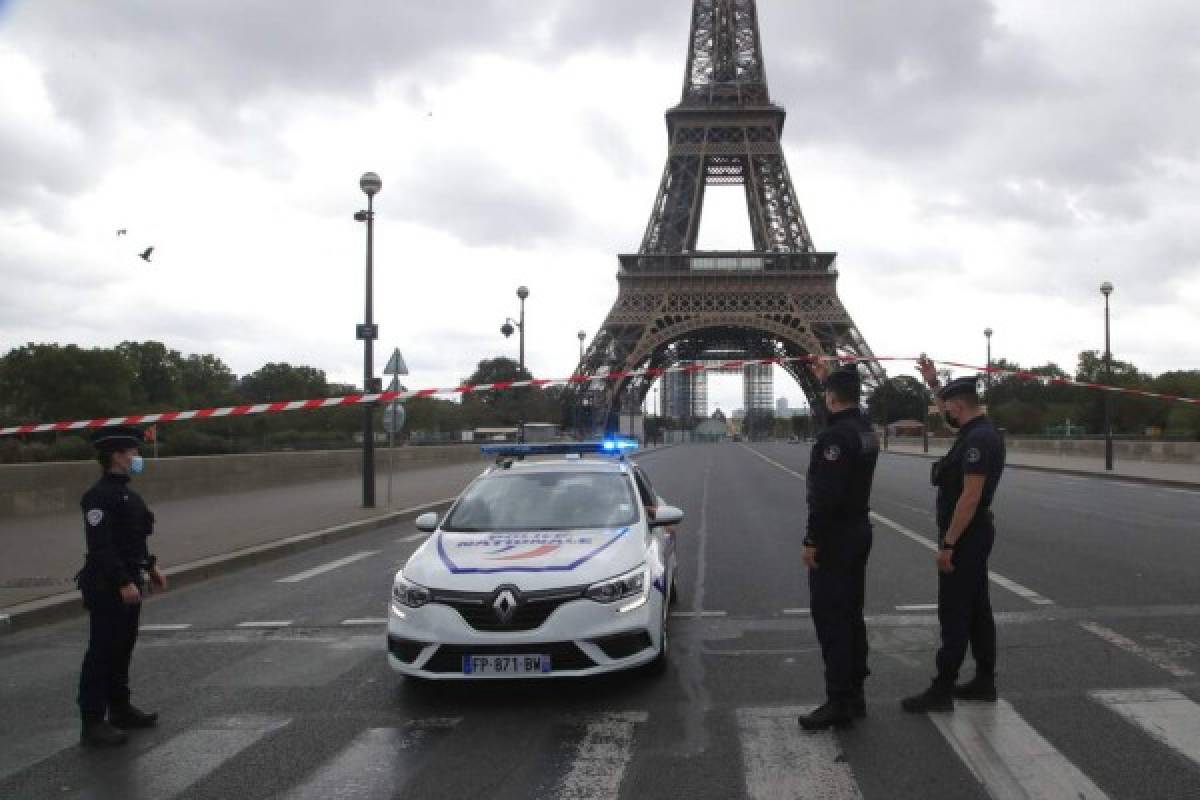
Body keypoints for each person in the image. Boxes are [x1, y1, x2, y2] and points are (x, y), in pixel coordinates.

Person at [902, 362, 1006, 713]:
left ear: (959, 407)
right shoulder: (978, 431)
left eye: (947, 406)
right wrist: (933, 383)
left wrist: (949, 544)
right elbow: (950, 418)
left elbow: (970, 497)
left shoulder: (977, 440)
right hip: (975, 534)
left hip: (966, 536)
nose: (944, 412)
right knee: (978, 610)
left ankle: (942, 689)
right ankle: (984, 681)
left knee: (955, 612)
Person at [798, 360, 880, 730]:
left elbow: (825, 497)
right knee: (851, 614)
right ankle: (855, 693)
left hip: (836, 536)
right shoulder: (865, 432)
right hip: (859, 528)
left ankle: (838, 699)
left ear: (830, 398)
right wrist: (827, 379)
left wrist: (812, 539)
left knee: (831, 618)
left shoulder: (835, 439)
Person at [76, 425, 167, 747]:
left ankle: (120, 708)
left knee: (123, 647)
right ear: (116, 455)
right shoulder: (99, 496)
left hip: (130, 579)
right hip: (108, 585)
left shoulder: (129, 494)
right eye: (132, 453)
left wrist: (151, 566)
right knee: (102, 651)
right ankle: (92, 721)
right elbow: (101, 546)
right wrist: (123, 581)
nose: (136, 458)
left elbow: (135, 539)